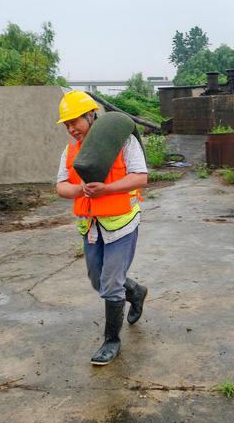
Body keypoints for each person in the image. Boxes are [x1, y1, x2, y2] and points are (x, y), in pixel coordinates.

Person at [55, 90, 149, 366]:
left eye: (76, 122)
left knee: (109, 284)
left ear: (91, 115)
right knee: (98, 280)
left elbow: (140, 177)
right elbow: (61, 186)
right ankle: (136, 292)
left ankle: (111, 340)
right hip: (91, 226)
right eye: (67, 124)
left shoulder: (123, 140)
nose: (72, 129)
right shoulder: (70, 150)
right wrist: (79, 190)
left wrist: (106, 189)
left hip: (121, 223)